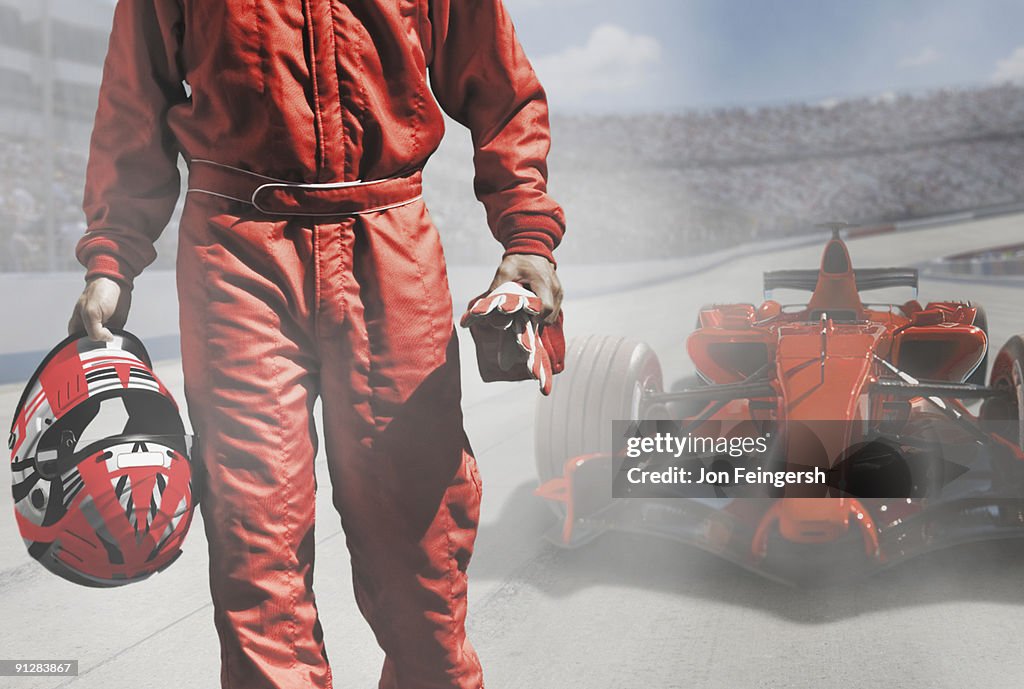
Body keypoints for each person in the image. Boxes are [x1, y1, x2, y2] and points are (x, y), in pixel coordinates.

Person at [67, 2, 564, 688]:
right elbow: (136, 95)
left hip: (388, 243)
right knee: (254, 542)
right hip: (236, 256)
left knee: (420, 535)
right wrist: (111, 257)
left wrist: (527, 233)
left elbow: (499, 81)